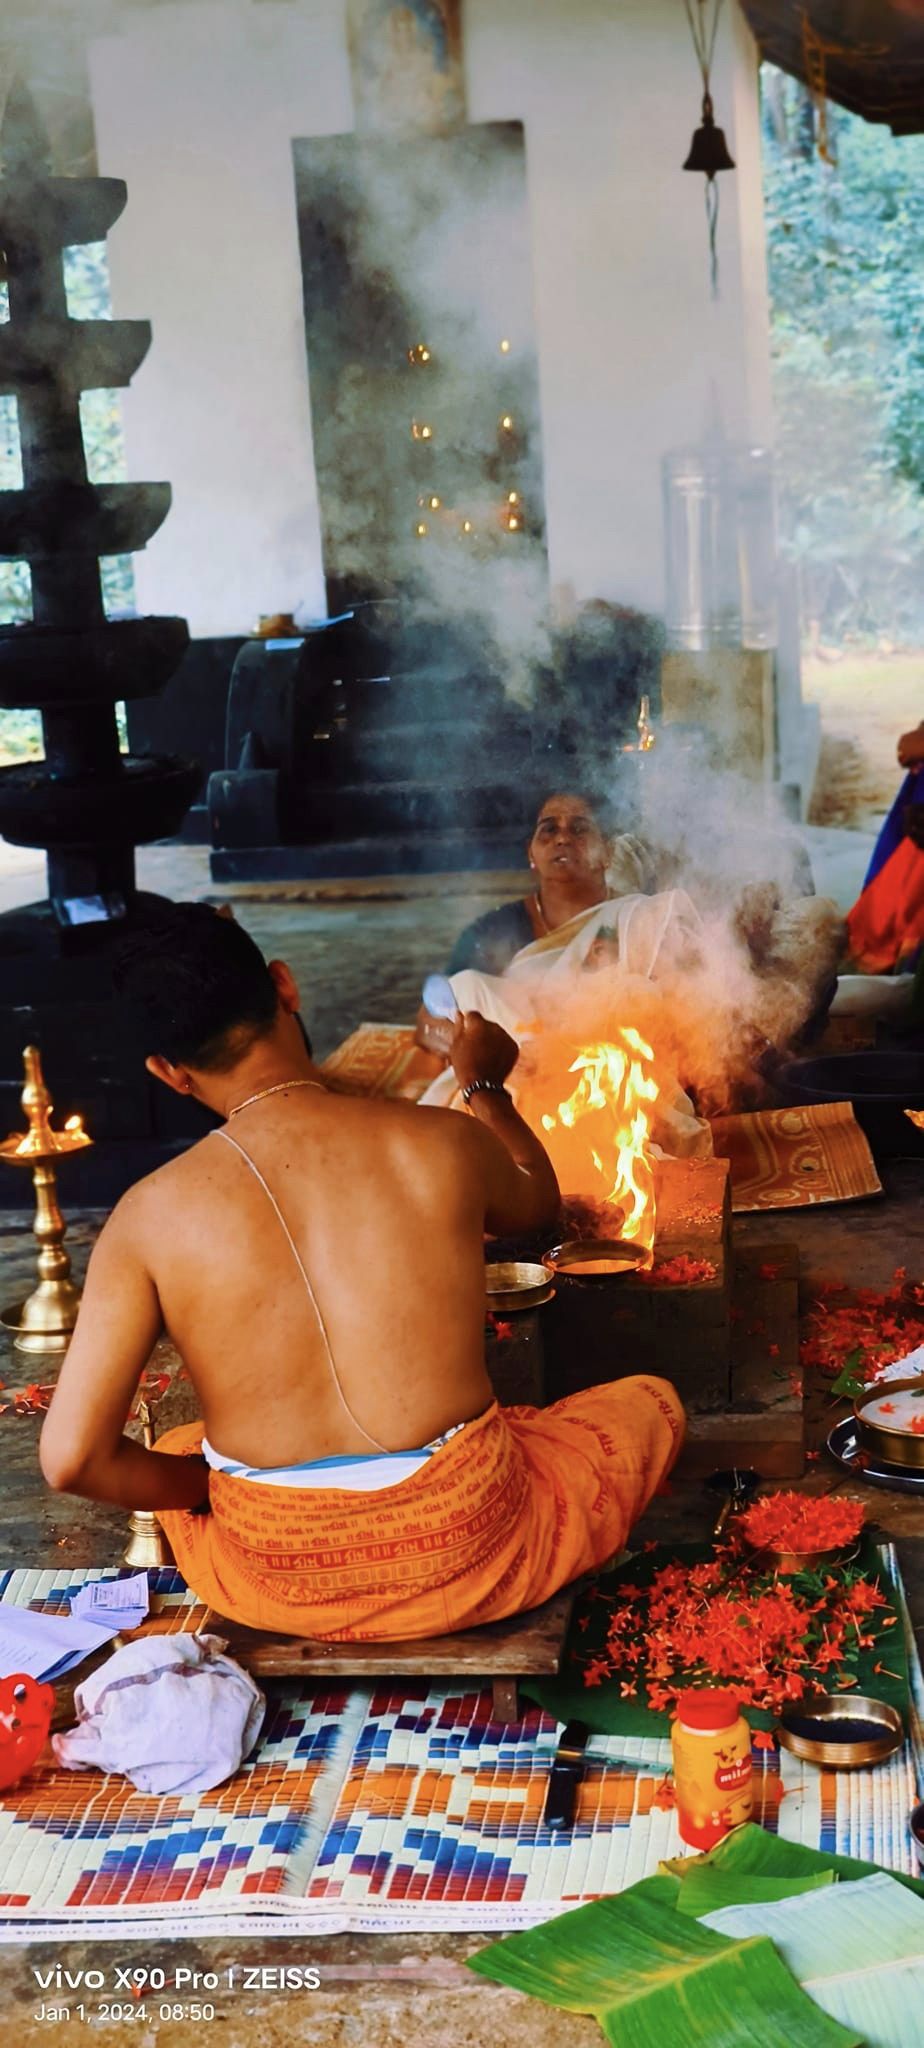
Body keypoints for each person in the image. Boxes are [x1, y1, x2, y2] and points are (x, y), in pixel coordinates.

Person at [39, 904, 684, 1643]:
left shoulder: (145, 1215)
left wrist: (206, 1489)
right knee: (645, 1404)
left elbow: (71, 1458)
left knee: (185, 1445)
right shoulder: (439, 1140)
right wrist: (483, 1087)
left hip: (277, 1572)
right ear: (286, 986)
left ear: (169, 1072)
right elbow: (535, 1204)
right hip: (470, 1546)